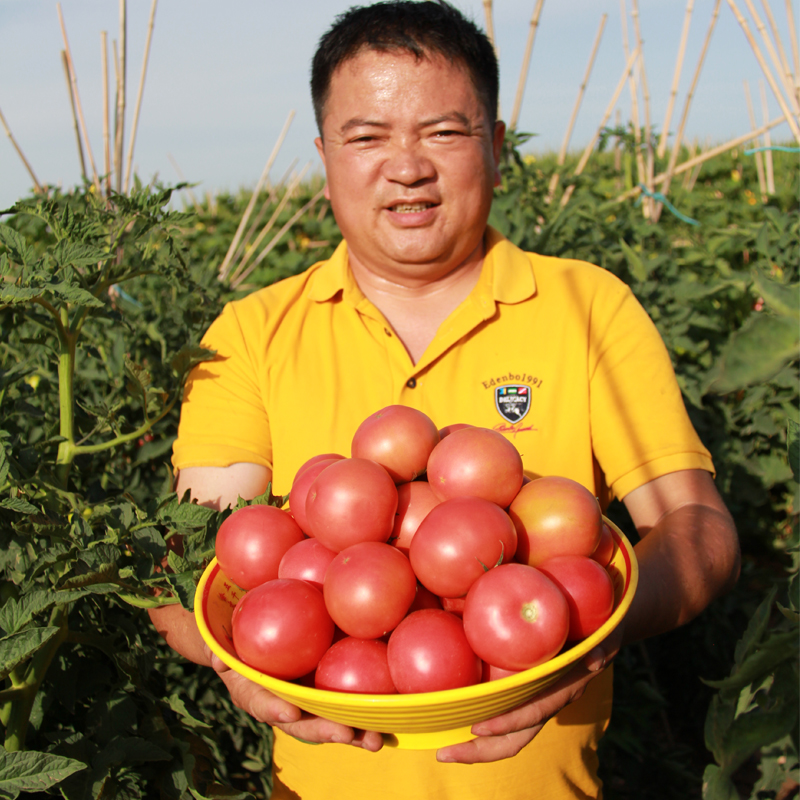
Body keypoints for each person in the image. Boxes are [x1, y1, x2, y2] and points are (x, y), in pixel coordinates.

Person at [149, 2, 741, 798]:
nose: (407, 166)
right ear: (324, 159)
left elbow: (699, 530)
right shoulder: (250, 334)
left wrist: (595, 628)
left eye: (443, 132)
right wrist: (234, 659)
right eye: (367, 137)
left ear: (495, 150)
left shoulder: (588, 308)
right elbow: (191, 565)